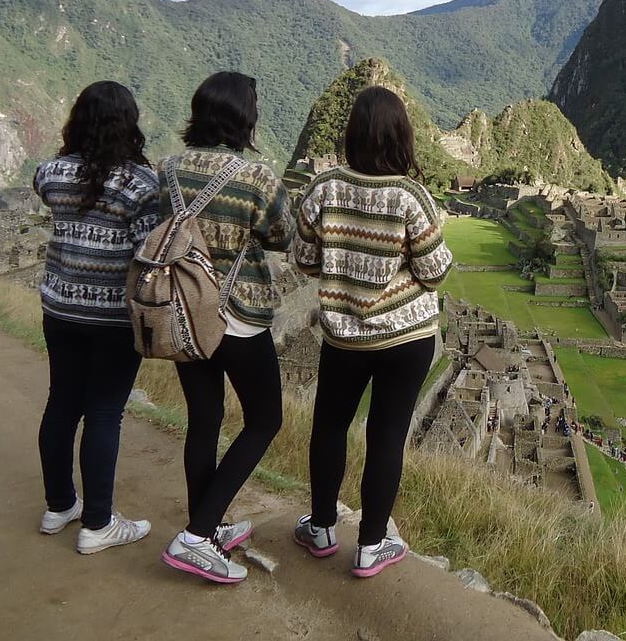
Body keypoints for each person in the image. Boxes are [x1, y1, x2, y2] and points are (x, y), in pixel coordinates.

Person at [291, 85, 453, 578]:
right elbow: (436, 271)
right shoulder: (409, 195)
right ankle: (372, 544)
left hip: (345, 337)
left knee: (330, 427)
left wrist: (344, 263)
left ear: (352, 135)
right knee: (387, 437)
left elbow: (303, 258)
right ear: (401, 137)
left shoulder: (323, 189)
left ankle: (320, 527)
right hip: (407, 340)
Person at [158, 72, 294, 584]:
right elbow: (284, 235)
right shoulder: (255, 178)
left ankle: (207, 529)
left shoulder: (167, 170)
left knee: (204, 421)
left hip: (184, 317)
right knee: (264, 420)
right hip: (237, 319)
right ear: (245, 119)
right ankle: (195, 535)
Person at [34, 81, 158, 554]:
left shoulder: (52, 173)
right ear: (129, 124)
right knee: (104, 411)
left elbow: (47, 188)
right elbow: (149, 251)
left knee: (62, 402)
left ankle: (59, 505)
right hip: (112, 317)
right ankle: (98, 523)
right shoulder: (140, 185)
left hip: (60, 307)